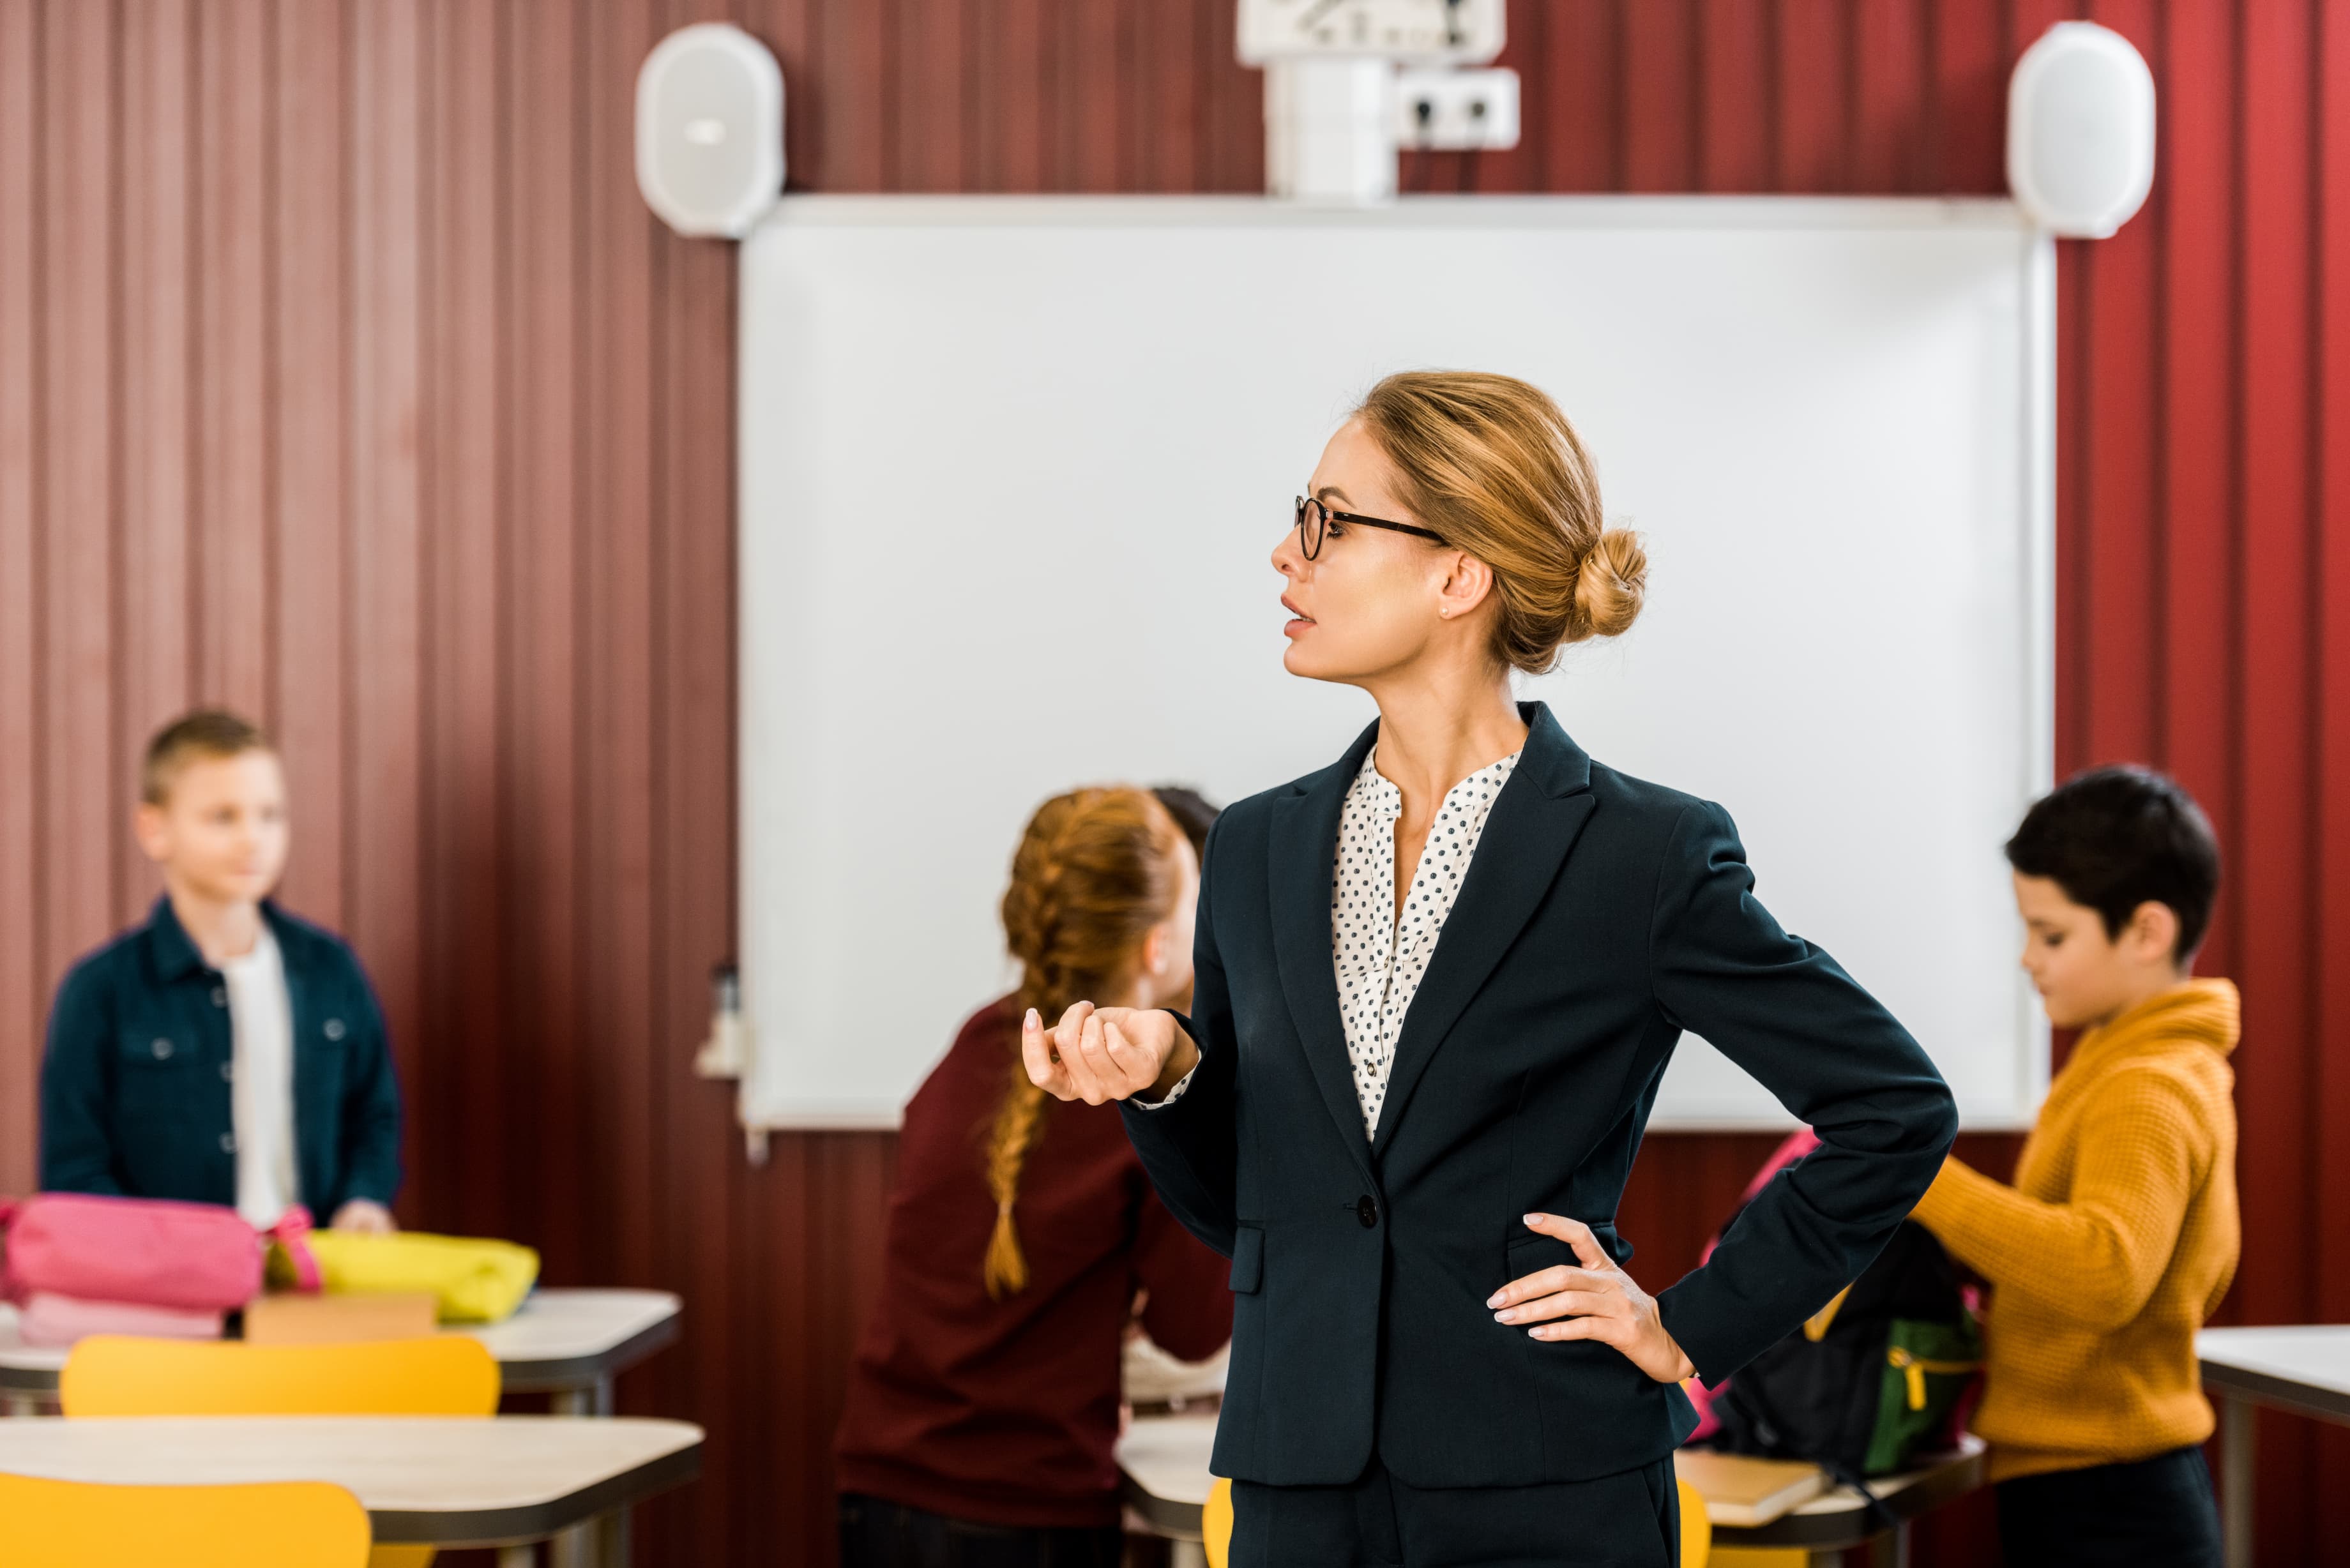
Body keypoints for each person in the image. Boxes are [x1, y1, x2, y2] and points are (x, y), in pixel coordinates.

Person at [1023, 372, 1959, 1567]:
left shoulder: (1644, 854)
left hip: (1549, 1487)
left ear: (1457, 575)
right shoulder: (1255, 848)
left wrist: (1687, 1327)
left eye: (1329, 520)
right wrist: (1168, 1074)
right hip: (1296, 1484)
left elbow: (1894, 1104)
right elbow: (1251, 1213)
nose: (1283, 554)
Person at [835, 787, 1234, 1568]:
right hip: (1026, 1512)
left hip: (878, 1487)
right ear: (1156, 947)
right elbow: (1192, 1329)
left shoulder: (977, 1041)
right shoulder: (1136, 1088)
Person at [1910, 765, 2234, 1568]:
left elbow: (2104, 1270)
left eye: (2051, 935)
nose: (2028, 959)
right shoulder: (2122, 1062)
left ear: (2146, 932)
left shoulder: (2145, 1086)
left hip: (2111, 1498)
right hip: (2093, 1481)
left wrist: (1924, 1180)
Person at [40, 709, 401, 1233]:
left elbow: (375, 1114)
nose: (252, 838)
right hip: (164, 1300)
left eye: (270, 814)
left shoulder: (331, 969)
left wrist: (363, 1200)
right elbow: (75, 1168)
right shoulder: (100, 992)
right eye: (222, 817)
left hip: (313, 1285)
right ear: (155, 829)